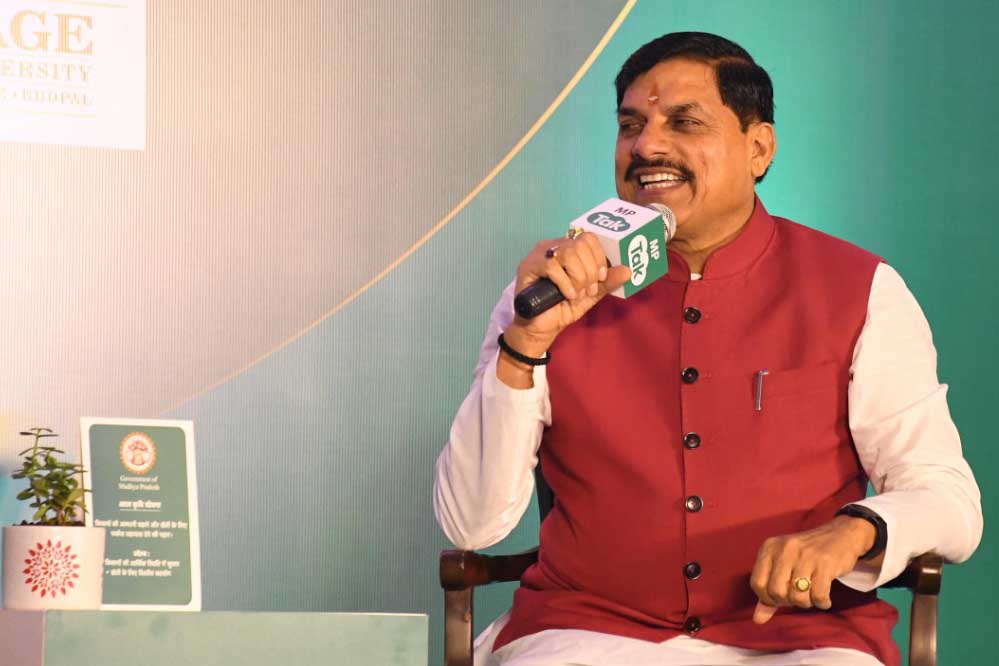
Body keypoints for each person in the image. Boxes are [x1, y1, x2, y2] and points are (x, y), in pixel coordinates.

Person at [433, 32, 982, 666]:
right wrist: (525, 344)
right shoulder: (547, 291)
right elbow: (471, 525)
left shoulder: (861, 290)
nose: (647, 146)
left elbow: (948, 498)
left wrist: (855, 529)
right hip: (586, 632)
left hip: (803, 640)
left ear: (758, 148)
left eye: (684, 122)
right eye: (630, 125)